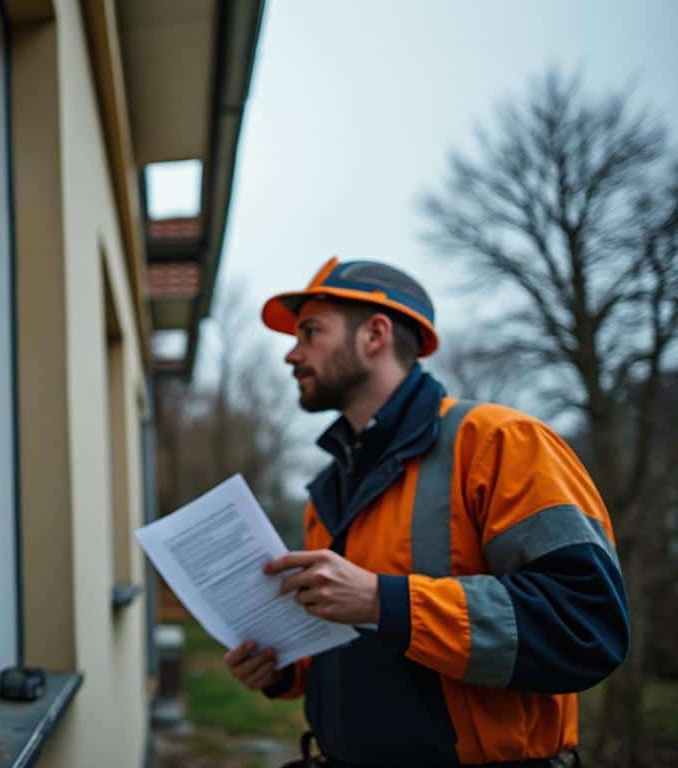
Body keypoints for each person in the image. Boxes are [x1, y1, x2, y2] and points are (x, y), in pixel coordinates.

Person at [222, 257, 628, 767]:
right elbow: (353, 647)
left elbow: (584, 626)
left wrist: (382, 600)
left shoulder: (501, 443)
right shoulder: (329, 489)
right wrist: (285, 671)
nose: (292, 354)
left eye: (309, 332)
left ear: (375, 334)